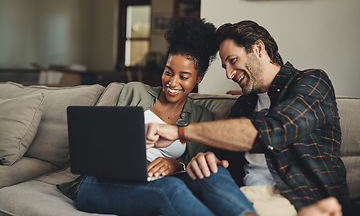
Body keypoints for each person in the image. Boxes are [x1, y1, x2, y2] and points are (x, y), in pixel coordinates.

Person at [145, 20, 352, 216]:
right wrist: (204, 157)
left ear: (258, 48)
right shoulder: (245, 103)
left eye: (232, 61)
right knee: (190, 181)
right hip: (239, 194)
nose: (229, 74)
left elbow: (273, 131)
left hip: (295, 194)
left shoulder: (312, 82)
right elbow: (220, 152)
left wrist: (179, 131)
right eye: (225, 66)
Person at [67, 17, 258, 216]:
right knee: (170, 189)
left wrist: (176, 165)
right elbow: (100, 141)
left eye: (184, 76)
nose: (172, 82)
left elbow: (196, 165)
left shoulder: (202, 117)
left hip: (161, 180)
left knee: (213, 173)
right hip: (100, 182)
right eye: (168, 72)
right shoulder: (134, 92)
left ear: (198, 78)